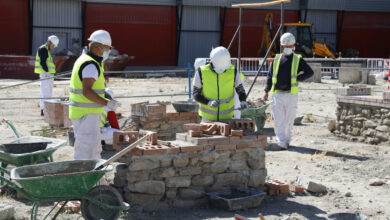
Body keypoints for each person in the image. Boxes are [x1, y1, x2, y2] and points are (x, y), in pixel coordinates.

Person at [69, 30, 121, 160]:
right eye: (107, 49)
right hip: (86, 115)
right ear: (98, 48)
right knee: (85, 153)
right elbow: (87, 91)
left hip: (86, 114)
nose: (108, 52)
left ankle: (95, 178)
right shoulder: (90, 65)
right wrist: (107, 103)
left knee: (93, 150)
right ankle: (82, 177)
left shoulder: (87, 60)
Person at [262, 32, 314, 149]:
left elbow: (310, 72)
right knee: (279, 120)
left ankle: (287, 140)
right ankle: (281, 142)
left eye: (290, 46)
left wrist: (298, 78)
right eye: (285, 47)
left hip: (291, 95)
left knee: (289, 120)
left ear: (293, 46)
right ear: (282, 46)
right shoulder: (276, 59)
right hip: (278, 94)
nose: (288, 48)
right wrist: (266, 90)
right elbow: (270, 76)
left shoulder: (298, 59)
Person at [193, 46, 247, 122]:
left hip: (228, 118)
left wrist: (243, 101)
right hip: (207, 119)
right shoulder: (201, 72)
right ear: (212, 61)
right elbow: (195, 94)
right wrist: (208, 102)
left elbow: (240, 89)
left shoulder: (233, 71)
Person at [34, 35, 59, 116]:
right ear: (50, 43)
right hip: (46, 75)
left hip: (47, 75)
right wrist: (47, 72)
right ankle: (44, 111)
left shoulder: (46, 50)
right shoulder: (43, 49)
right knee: (46, 93)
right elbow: (43, 62)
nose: (54, 47)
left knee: (47, 93)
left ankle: (44, 110)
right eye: (53, 46)